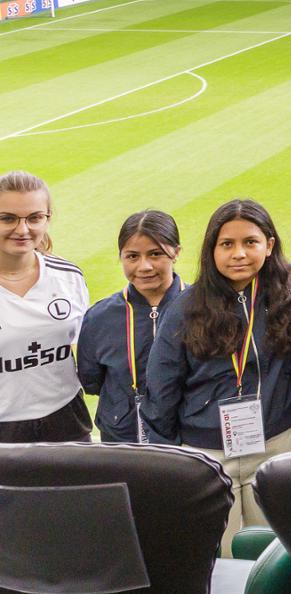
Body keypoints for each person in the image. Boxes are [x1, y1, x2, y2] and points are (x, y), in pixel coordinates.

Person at [145, 200, 291, 553]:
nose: (239, 254)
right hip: (209, 453)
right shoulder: (186, 307)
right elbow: (161, 387)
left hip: (277, 443)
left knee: (279, 552)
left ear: (269, 244)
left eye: (250, 242)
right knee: (221, 556)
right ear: (212, 250)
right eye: (227, 244)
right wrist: (169, 456)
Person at [78, 210, 186, 444]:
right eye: (132, 256)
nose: (144, 266)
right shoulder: (99, 317)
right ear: (121, 257)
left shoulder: (202, 308)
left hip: (186, 435)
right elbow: (91, 380)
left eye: (155, 254)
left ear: (176, 252)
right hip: (122, 437)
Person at [0, 171, 90, 442]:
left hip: (66, 418)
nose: (22, 229)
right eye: (7, 218)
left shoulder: (68, 277)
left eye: (34, 217)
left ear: (47, 219)